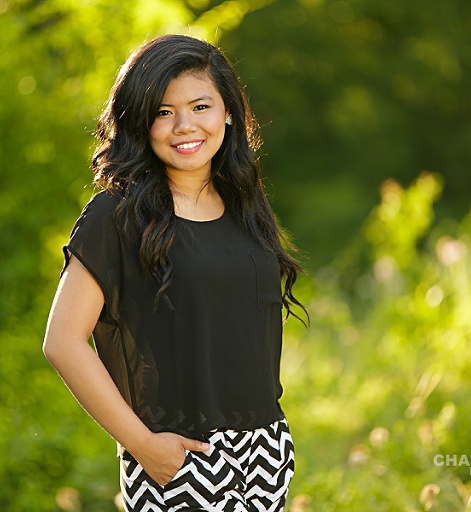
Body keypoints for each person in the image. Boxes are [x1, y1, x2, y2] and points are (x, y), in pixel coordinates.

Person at [43, 34, 307, 512]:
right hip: (179, 459)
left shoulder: (245, 205)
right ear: (140, 123)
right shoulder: (116, 215)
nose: (185, 126)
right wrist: (142, 445)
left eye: (200, 106)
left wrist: (273, 446)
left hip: (265, 455)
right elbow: (62, 341)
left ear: (228, 111)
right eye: (163, 112)